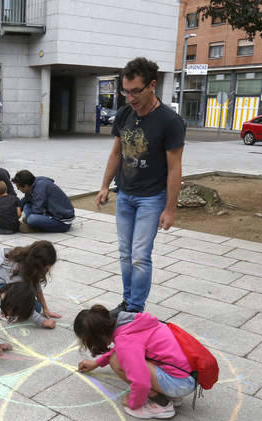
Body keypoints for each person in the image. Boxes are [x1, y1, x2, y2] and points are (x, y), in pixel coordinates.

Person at [95, 57, 185, 313]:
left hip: (151, 198)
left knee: (139, 256)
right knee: (125, 254)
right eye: (126, 91)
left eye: (136, 91)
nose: (130, 98)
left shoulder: (169, 121)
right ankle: (127, 301)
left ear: (152, 85)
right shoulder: (124, 114)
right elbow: (116, 153)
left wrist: (170, 208)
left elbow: (175, 168)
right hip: (125, 194)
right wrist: (104, 186)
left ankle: (135, 309)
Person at [74, 304, 195, 419]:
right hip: (188, 374)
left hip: (180, 383)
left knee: (116, 362)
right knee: (120, 358)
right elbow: (125, 348)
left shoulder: (125, 342)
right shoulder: (130, 322)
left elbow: (141, 382)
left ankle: (162, 405)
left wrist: (132, 402)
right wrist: (97, 363)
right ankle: (172, 395)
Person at [0, 240, 59, 329]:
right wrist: (42, 321)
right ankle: (2, 311)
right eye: (47, 267)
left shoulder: (30, 262)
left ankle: (8, 308)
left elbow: (36, 284)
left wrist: (45, 308)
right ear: (39, 264)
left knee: (36, 307)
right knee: (26, 307)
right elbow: (18, 297)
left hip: (8, 287)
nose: (48, 270)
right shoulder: (15, 268)